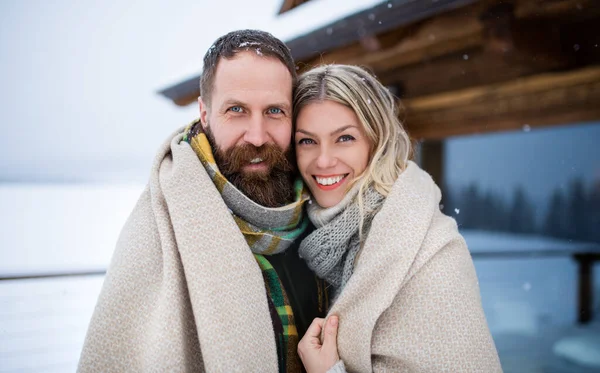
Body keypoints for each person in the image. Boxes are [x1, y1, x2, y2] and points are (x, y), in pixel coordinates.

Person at [78, 30, 328, 372]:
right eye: (236, 109)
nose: (256, 136)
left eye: (274, 111)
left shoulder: (325, 212)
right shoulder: (159, 228)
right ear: (205, 113)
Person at [292, 64, 503, 372]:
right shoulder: (301, 238)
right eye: (307, 141)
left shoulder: (432, 253)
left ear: (376, 142)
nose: (323, 160)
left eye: (345, 138)